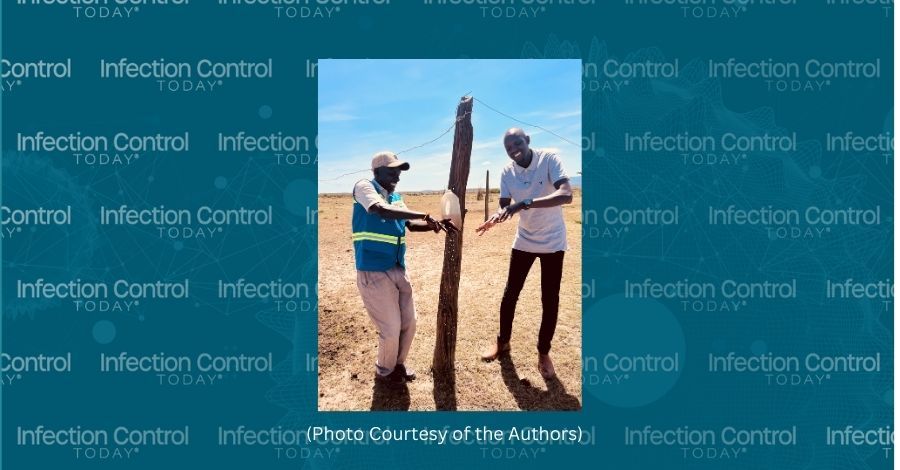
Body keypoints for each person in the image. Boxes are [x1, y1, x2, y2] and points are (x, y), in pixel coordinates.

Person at [352, 151, 455, 387]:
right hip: (373, 269)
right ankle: (385, 373)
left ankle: (397, 364)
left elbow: (408, 225)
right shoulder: (364, 188)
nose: (397, 176)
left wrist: (434, 225)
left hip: (398, 267)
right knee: (390, 327)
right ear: (376, 171)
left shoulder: (395, 196)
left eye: (399, 171)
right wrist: (425, 214)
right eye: (392, 171)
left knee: (409, 322)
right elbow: (380, 210)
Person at [476, 128, 573, 379]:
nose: (513, 149)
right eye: (508, 147)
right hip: (524, 240)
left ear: (527, 140)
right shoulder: (508, 172)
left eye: (517, 143)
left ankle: (543, 353)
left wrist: (527, 202)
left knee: (549, 299)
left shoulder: (549, 159)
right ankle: (503, 342)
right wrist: (496, 217)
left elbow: (566, 194)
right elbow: (506, 206)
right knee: (510, 294)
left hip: (553, 241)